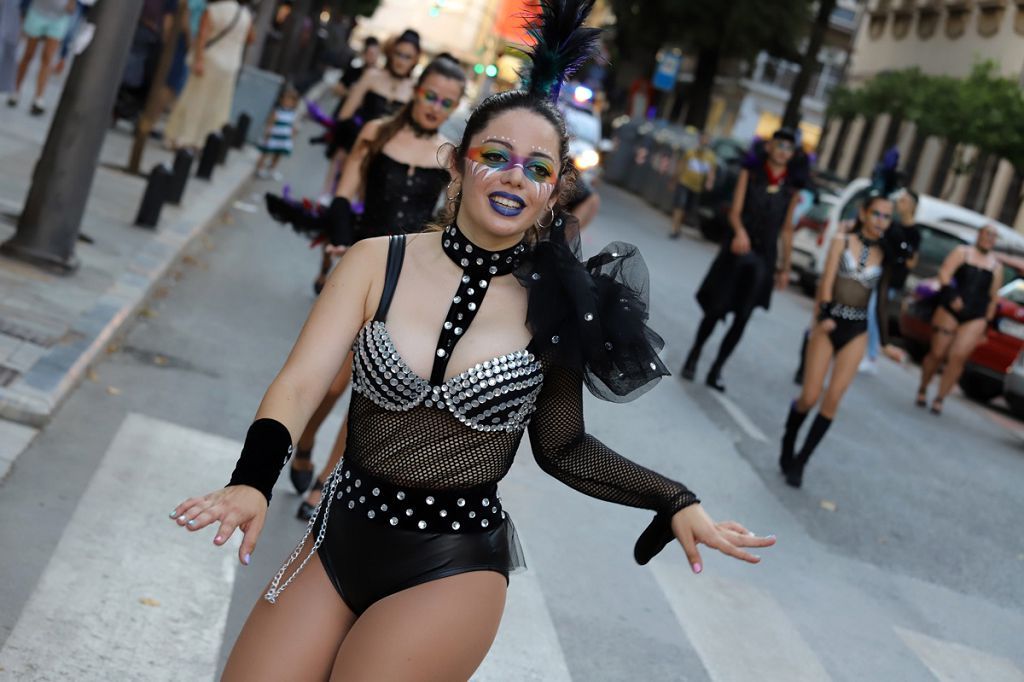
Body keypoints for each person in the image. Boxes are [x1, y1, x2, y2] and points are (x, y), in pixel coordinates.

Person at [171, 3, 773, 678]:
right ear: (457, 166)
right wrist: (252, 481)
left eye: (537, 169)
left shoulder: (558, 305)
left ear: (554, 193)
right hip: (340, 535)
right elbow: (302, 381)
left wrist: (674, 499)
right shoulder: (377, 262)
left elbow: (562, 446)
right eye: (496, 157)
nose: (515, 176)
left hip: (452, 562)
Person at [265, 56, 466, 518]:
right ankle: (308, 438)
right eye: (430, 96)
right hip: (361, 267)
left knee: (367, 388)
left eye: (446, 103)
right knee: (333, 383)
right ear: (416, 90)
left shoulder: (449, 156)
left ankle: (326, 481)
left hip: (410, 281)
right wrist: (338, 239)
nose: (435, 107)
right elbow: (345, 190)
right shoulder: (375, 132)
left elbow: (450, 221)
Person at [780, 193, 903, 488]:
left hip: (857, 329)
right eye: (877, 214)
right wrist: (823, 315)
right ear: (863, 213)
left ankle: (801, 461)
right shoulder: (841, 241)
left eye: (887, 217)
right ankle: (788, 440)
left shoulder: (885, 255)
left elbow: (883, 302)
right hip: (829, 322)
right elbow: (825, 284)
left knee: (832, 399)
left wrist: (886, 342)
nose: (881, 221)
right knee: (810, 396)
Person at [681, 128, 802, 392]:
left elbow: (787, 229)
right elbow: (735, 212)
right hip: (738, 249)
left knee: (743, 316)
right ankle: (694, 354)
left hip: (764, 256)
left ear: (793, 155)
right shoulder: (750, 174)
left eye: (789, 148)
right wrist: (739, 232)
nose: (783, 151)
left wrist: (785, 267)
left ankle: (717, 369)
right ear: (769, 147)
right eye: (779, 144)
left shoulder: (791, 189)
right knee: (716, 308)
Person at [318, 29, 419, 197]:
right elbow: (345, 114)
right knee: (340, 200)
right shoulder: (372, 76)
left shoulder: (415, 91)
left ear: (415, 60)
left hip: (387, 160)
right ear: (391, 53)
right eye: (398, 54)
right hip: (357, 148)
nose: (401, 61)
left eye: (407, 56)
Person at [916, 225, 1002, 415]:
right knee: (937, 353)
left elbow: (993, 298)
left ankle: (940, 397)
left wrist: (987, 324)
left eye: (994, 236)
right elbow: (945, 273)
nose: (989, 239)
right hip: (951, 307)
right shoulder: (962, 253)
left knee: (958, 356)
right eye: (987, 234)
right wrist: (952, 296)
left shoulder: (996, 266)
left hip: (975, 315)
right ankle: (923, 387)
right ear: (979, 234)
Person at [163, 0, 253, 150]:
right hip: (230, 65)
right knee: (217, 105)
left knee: (194, 99)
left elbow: (202, 35)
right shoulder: (245, 15)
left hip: (210, 61)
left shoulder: (213, 9)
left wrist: (199, 59)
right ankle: (204, 142)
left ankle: (181, 137)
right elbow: (251, 38)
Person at [860, 187, 921, 375]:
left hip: (892, 280)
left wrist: (899, 254)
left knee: (874, 312)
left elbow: (911, 260)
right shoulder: (891, 224)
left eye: (903, 201)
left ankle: (872, 354)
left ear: (912, 206)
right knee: (868, 311)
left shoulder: (913, 232)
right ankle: (867, 351)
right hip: (877, 273)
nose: (899, 204)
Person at [9, 0, 75, 115]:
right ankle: (16, 90)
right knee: (28, 55)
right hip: (38, 11)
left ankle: (39, 98)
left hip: (60, 16)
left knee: (47, 58)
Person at [669, 132, 716, 238]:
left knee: (687, 209)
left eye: (707, 140)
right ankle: (674, 229)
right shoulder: (690, 152)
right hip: (684, 182)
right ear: (699, 140)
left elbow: (711, 172)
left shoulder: (710, 157)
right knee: (679, 205)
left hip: (696, 187)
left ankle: (679, 225)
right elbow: (681, 166)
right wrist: (674, 180)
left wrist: (709, 182)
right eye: (703, 139)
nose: (704, 142)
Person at [255, 84, 299, 181]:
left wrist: (293, 133)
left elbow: (291, 125)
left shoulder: (292, 113)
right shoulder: (277, 111)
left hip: (283, 138)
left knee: (278, 154)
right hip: (274, 136)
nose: (288, 102)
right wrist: (267, 132)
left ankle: (271, 169)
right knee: (266, 153)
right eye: (286, 99)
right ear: (281, 100)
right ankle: (259, 169)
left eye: (291, 100)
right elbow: (270, 122)